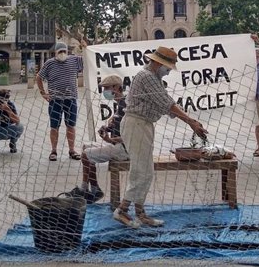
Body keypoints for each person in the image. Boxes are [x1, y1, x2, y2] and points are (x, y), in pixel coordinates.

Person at [113, 46, 208, 228]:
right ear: (158, 62)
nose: (169, 70)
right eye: (168, 66)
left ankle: (140, 214)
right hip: (136, 124)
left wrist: (191, 120)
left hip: (144, 124)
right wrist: (191, 122)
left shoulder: (154, 77)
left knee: (146, 171)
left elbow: (167, 102)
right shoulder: (146, 76)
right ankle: (122, 210)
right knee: (140, 170)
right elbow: (168, 105)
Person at [68, 74, 128, 204]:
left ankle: (94, 190)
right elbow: (119, 127)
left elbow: (130, 136)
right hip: (117, 145)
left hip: (124, 149)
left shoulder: (125, 106)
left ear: (117, 88)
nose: (105, 91)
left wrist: (110, 140)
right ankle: (85, 188)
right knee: (85, 146)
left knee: (85, 155)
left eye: (107, 88)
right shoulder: (119, 105)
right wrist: (108, 128)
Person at [36, 41, 84, 161]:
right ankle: (53, 151)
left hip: (71, 99)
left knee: (71, 126)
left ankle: (72, 150)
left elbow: (88, 58)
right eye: (60, 51)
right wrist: (43, 93)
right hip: (55, 100)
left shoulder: (74, 60)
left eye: (64, 51)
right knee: (54, 127)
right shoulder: (49, 63)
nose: (62, 53)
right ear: (55, 52)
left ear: (67, 52)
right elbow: (39, 77)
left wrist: (85, 47)